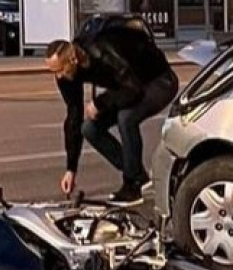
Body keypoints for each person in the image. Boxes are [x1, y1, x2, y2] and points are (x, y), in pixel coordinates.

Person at [45, 17, 178, 207]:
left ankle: (132, 185)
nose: (58, 77)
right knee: (89, 128)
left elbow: (134, 89)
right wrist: (71, 169)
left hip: (158, 81)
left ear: (73, 59)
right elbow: (73, 116)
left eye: (59, 71)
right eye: (54, 72)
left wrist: (101, 102)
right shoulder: (67, 74)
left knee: (126, 117)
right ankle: (139, 176)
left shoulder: (104, 51)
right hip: (128, 86)